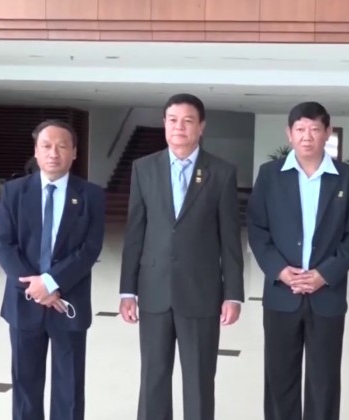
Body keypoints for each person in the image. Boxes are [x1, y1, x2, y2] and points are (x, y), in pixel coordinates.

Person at [118, 93, 245, 420]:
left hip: (201, 293)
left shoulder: (221, 172)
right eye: (173, 120)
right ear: (164, 124)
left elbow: (230, 240)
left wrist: (233, 294)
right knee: (153, 378)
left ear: (201, 127)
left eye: (188, 121)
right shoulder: (144, 168)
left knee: (199, 380)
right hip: (154, 290)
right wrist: (127, 290)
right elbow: (135, 232)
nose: (179, 127)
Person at [247, 101, 349, 420]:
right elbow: (257, 229)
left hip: (327, 294)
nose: (307, 136)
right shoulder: (270, 175)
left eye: (315, 129)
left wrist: (324, 274)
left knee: (324, 379)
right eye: (300, 129)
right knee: (279, 377)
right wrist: (279, 270)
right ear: (289, 133)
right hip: (281, 293)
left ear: (327, 132)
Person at [0, 119, 105, 420]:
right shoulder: (14, 192)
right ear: (36, 150)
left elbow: (90, 248)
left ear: (74, 152)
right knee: (25, 387)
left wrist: (52, 282)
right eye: (46, 146)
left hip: (68, 301)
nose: (53, 153)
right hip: (24, 301)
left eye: (62, 146)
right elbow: (4, 245)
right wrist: (36, 287)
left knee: (69, 387)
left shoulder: (91, 195)